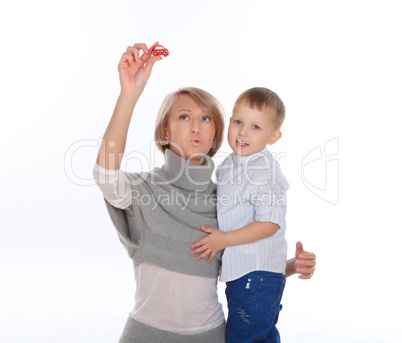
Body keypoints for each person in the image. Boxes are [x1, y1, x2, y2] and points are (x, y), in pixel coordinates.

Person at [93, 42, 316, 343]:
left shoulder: (227, 200)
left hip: (209, 336)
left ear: (216, 135)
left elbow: (243, 264)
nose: (196, 126)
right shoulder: (144, 190)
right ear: (165, 131)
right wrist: (128, 96)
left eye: (206, 118)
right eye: (184, 117)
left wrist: (289, 267)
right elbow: (105, 175)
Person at [190, 87, 292, 342]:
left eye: (255, 127)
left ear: (273, 137)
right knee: (261, 334)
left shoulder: (263, 171)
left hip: (256, 275)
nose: (243, 132)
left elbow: (270, 224)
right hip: (243, 274)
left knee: (242, 337)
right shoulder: (230, 164)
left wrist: (223, 239)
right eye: (238, 122)